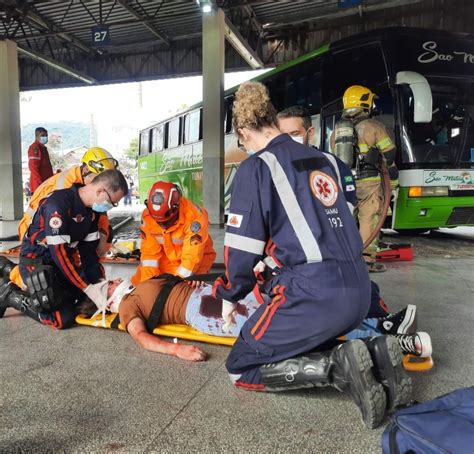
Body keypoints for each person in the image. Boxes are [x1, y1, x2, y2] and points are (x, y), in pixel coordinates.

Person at [212, 81, 411, 429]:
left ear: (243, 131)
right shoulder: (328, 162)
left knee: (242, 364)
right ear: (273, 118)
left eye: (239, 140)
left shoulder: (257, 168)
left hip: (314, 293)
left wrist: (230, 293)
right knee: (300, 333)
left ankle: (338, 368)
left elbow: (242, 251)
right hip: (359, 289)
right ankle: (376, 354)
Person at [72, 276, 431, 362]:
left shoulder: (144, 281)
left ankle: (377, 326)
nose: (117, 279)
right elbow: (142, 338)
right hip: (203, 312)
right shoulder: (126, 308)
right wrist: (179, 350)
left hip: (213, 293)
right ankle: (384, 335)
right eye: (111, 282)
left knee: (290, 301)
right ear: (110, 296)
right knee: (289, 319)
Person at [0, 169, 128, 329]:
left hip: (61, 263)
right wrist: (87, 287)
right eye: (111, 202)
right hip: (37, 263)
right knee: (62, 319)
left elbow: (89, 255)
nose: (110, 207)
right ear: (100, 190)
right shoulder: (58, 205)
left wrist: (98, 283)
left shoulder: (91, 213)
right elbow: (58, 253)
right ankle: (8, 293)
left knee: (85, 304)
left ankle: (7, 269)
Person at [331, 86, 399, 272]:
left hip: (345, 182)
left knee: (346, 218)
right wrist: (393, 180)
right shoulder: (374, 126)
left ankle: (345, 257)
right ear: (366, 102)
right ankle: (367, 260)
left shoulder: (336, 131)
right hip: (369, 181)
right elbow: (389, 154)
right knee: (370, 218)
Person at [17, 147, 118, 253]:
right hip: (36, 235)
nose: (100, 186)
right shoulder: (66, 187)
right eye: (98, 180)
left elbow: (99, 214)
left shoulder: (86, 185)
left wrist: (102, 234)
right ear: (86, 170)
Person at [131, 181, 216, 285]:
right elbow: (149, 254)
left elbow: (191, 258)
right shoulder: (147, 217)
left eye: (166, 222)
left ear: (176, 208)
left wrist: (176, 285)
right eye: (158, 222)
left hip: (196, 260)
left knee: (184, 291)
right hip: (167, 258)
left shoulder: (194, 218)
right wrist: (149, 284)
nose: (162, 226)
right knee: (139, 283)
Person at [277, 106, 357, 210]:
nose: (288, 140)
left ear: (310, 132)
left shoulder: (329, 162)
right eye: (283, 136)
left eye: (294, 134)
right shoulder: (272, 164)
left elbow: (348, 195)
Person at [28, 127, 54, 193]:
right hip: (39, 186)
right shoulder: (35, 148)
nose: (45, 137)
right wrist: (40, 183)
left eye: (46, 135)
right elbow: (33, 168)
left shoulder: (44, 149)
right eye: (42, 135)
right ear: (37, 136)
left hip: (46, 184)